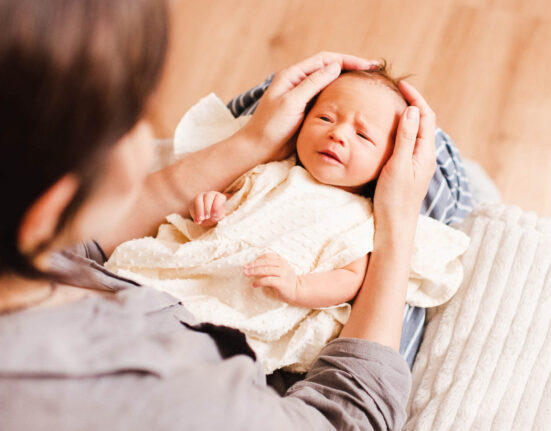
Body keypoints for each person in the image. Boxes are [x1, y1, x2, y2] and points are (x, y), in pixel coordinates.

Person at [0, 0, 437, 430]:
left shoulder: (36, 261)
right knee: (444, 164)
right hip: (245, 321)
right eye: (133, 116)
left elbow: (348, 271)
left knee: (267, 100)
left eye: (361, 134)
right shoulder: (174, 398)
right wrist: (400, 220)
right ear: (51, 208)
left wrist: (249, 145)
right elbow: (350, 413)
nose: (339, 133)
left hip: (260, 284)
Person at [106, 67, 468, 374]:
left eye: (362, 135)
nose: (337, 134)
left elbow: (350, 279)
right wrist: (214, 206)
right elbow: (234, 206)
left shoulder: (362, 217)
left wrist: (298, 287)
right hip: (205, 274)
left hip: (263, 297)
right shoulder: (272, 171)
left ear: (389, 162)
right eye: (325, 117)